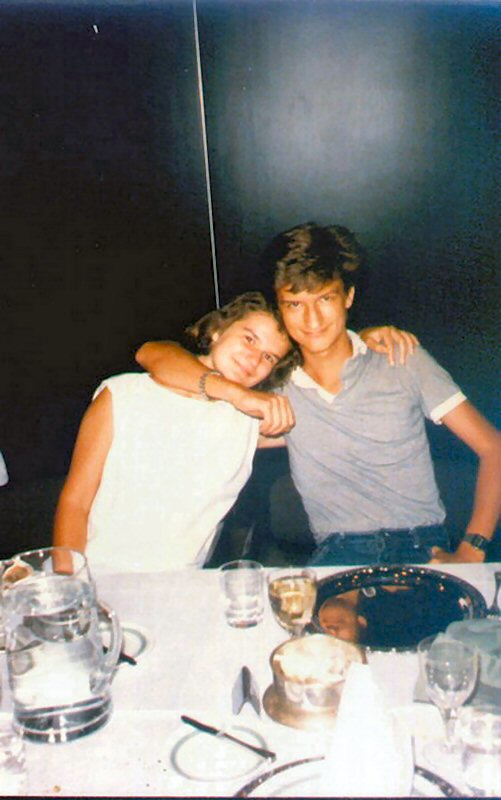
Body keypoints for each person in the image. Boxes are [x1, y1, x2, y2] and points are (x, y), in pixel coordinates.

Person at [136, 223, 500, 566]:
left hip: (421, 545)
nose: (312, 320)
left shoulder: (400, 359)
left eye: (325, 298)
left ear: (348, 296)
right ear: (280, 309)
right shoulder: (275, 389)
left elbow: (493, 448)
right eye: (295, 304)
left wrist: (472, 550)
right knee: (312, 614)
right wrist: (235, 393)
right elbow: (152, 353)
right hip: (338, 552)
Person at [53, 292, 294, 572]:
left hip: (180, 583)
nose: (254, 359)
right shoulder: (124, 394)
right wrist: (69, 583)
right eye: (249, 339)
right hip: (95, 573)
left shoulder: (251, 421)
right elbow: (76, 502)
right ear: (217, 331)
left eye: (269, 357)